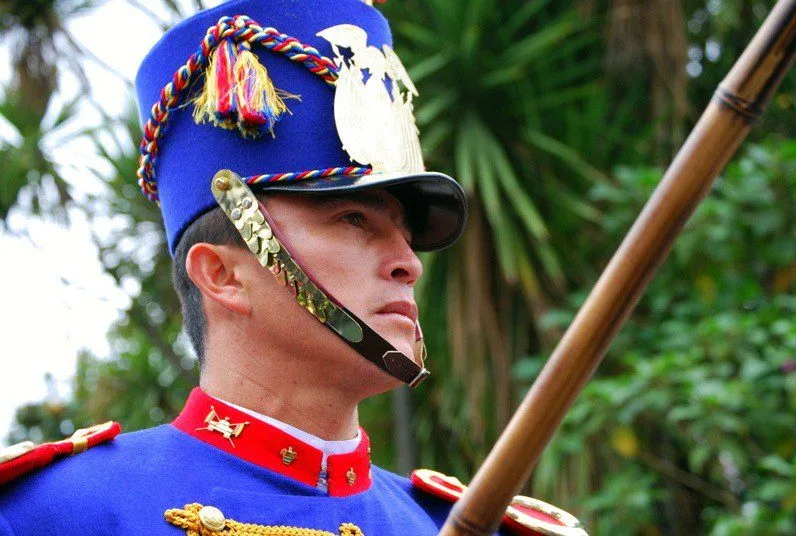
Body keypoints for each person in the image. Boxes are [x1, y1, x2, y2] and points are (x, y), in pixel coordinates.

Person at [0, 1, 583, 534]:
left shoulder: (459, 524)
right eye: (355, 220)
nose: (409, 264)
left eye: (406, 234)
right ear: (222, 275)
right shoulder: (54, 512)